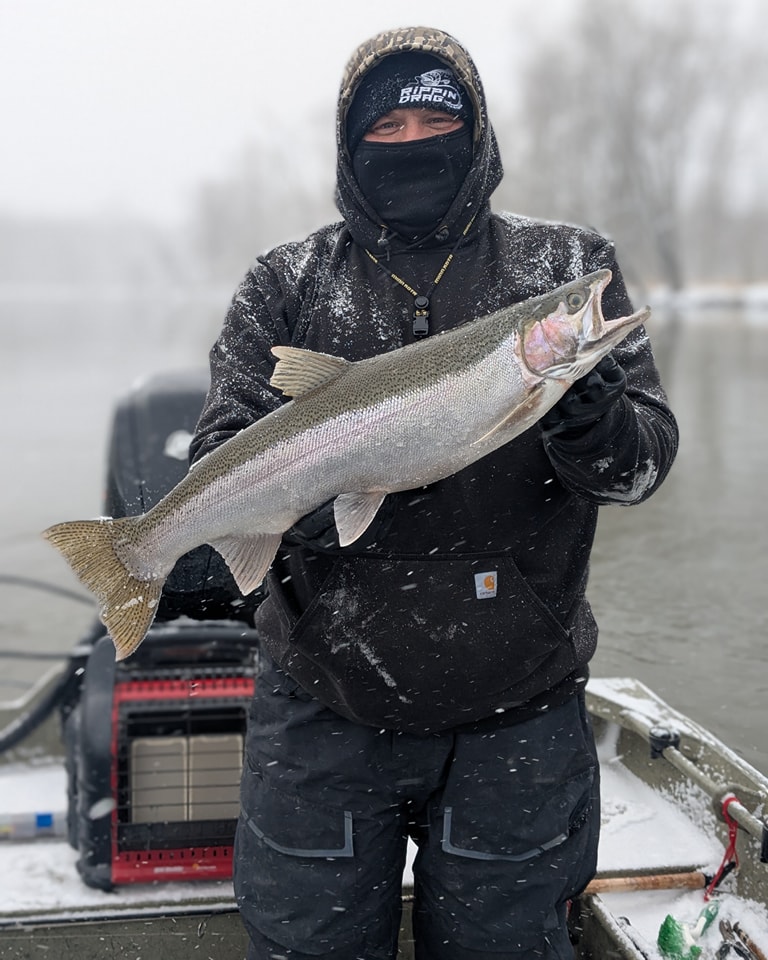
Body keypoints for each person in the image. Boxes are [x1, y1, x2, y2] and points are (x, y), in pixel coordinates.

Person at [190, 25, 678, 960]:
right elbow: (223, 444)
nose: (413, 142)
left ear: (478, 133)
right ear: (349, 147)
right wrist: (304, 508)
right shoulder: (285, 284)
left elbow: (643, 468)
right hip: (323, 704)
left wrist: (594, 425)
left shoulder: (565, 270)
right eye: (389, 126)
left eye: (434, 119)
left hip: (520, 713)